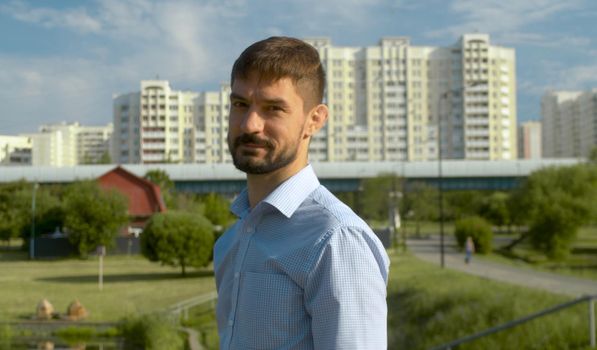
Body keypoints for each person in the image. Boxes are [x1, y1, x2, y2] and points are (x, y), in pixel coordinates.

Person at [213, 36, 390, 349]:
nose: (250, 124)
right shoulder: (233, 240)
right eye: (240, 105)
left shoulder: (336, 240)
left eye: (273, 108)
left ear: (314, 120)